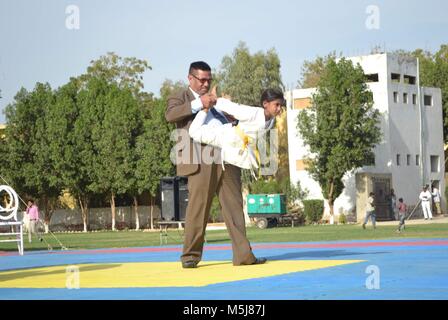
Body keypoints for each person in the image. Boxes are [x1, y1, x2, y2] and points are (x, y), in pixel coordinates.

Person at [165, 61, 266, 268]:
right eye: (201, 79)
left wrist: (228, 115)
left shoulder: (217, 101)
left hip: (228, 157)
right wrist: (201, 103)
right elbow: (171, 115)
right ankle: (190, 257)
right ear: (190, 79)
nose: (205, 83)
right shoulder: (180, 97)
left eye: (208, 80)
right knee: (198, 208)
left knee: (235, 207)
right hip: (200, 159)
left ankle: (244, 256)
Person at [188, 87, 285, 176]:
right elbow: (235, 109)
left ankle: (212, 111)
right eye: (276, 105)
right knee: (194, 132)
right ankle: (206, 108)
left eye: (281, 105)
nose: (279, 108)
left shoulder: (272, 120)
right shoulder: (253, 113)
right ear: (265, 104)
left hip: (238, 144)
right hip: (226, 136)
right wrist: (216, 100)